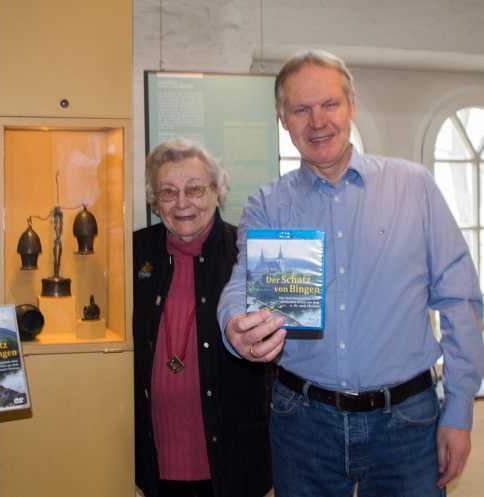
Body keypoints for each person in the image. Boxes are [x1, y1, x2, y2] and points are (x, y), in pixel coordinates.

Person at [217, 49, 484, 497]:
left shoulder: (413, 187)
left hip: (408, 422)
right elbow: (245, 282)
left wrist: (458, 412)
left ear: (351, 107)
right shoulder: (268, 204)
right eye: (301, 109)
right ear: (283, 119)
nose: (317, 121)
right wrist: (232, 325)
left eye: (329, 104)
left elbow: (461, 301)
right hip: (303, 423)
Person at [134, 138, 273, 497]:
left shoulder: (248, 254)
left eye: (194, 189)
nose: (182, 203)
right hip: (154, 457)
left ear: (217, 191)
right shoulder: (133, 254)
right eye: (168, 192)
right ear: (154, 200)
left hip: (234, 460)